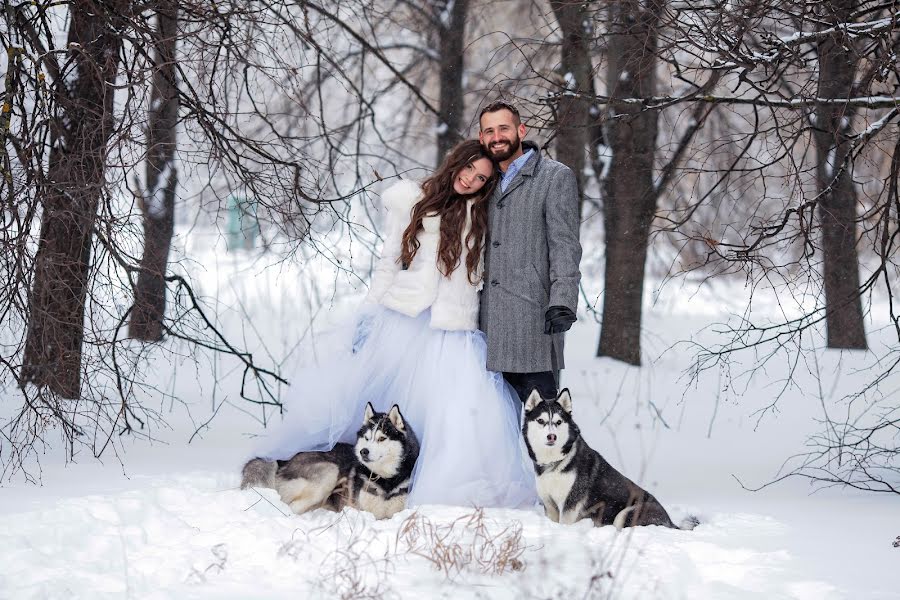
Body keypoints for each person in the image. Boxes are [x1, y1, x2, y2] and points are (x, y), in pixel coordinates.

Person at [255, 139, 537, 509]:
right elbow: (389, 262)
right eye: (469, 169)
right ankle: (347, 476)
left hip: (455, 326)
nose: (471, 180)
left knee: (453, 415)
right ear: (456, 162)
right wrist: (369, 317)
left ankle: (435, 488)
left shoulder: (484, 215)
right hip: (406, 318)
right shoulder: (412, 200)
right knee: (383, 406)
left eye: (482, 178)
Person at [477, 100, 583, 403]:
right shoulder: (481, 181)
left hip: (532, 323)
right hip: (486, 326)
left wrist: (563, 301)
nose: (497, 137)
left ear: (520, 130)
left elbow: (565, 244)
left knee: (543, 428)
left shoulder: (554, 177)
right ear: (482, 138)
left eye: (504, 128)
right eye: (489, 131)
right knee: (494, 424)